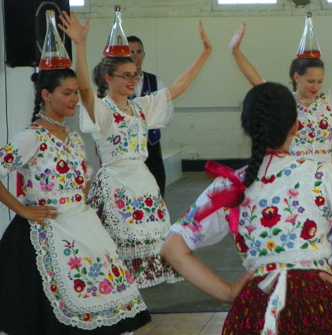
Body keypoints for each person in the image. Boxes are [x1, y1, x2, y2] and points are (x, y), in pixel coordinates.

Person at [161, 82, 332, 335]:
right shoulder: (322, 174)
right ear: (295, 126)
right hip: (318, 303)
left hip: (256, 306)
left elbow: (173, 249)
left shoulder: (227, 186)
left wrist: (227, 292)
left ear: (246, 129)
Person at [59, 10, 212, 288]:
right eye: (126, 75)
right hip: (115, 185)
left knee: (148, 249)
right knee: (114, 253)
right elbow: (83, 88)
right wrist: (79, 45)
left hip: (143, 184)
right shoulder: (103, 109)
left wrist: (205, 52)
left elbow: (179, 86)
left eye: (135, 74)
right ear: (108, 77)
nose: (132, 79)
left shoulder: (140, 106)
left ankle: (131, 304)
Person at [0, 69, 150, 334]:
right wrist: (23, 209)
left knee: (106, 293)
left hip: (82, 223)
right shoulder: (31, 137)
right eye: (66, 93)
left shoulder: (72, 138)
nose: (73, 100)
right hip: (48, 227)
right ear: (46, 95)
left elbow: (85, 183)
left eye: (76, 93)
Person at [229, 22, 332, 162]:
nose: (316, 87)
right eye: (310, 81)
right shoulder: (283, 101)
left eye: (319, 81)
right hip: (292, 171)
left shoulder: (331, 100)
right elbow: (256, 81)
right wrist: (235, 50)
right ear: (297, 77)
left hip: (323, 173)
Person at [127, 35, 168, 198]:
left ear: (143, 54)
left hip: (151, 145)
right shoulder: (114, 84)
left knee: (157, 189)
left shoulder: (155, 81)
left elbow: (165, 111)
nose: (135, 55)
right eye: (130, 52)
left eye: (138, 51)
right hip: (126, 147)